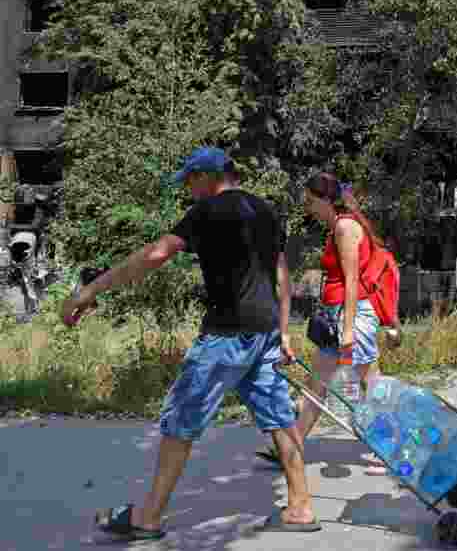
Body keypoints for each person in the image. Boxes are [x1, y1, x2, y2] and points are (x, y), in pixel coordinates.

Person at [61, 147, 321, 539]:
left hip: (226, 336)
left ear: (206, 176)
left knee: (182, 418)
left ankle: (147, 518)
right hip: (265, 331)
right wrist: (283, 331)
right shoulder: (264, 211)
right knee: (279, 416)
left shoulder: (208, 211)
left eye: (189, 181)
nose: (187, 189)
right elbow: (281, 276)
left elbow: (156, 255)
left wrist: (91, 290)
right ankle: (300, 506)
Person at [256, 171, 401, 466]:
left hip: (353, 316)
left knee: (371, 385)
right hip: (340, 316)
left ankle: (391, 446)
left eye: (310, 201)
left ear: (325, 199)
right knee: (316, 386)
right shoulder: (338, 225)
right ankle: (290, 450)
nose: (308, 208)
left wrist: (347, 331)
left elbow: (351, 281)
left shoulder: (345, 227)